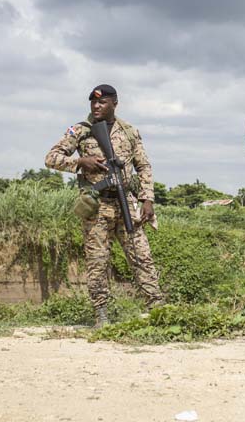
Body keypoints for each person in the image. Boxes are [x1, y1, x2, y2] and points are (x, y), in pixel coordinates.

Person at [45, 84, 164, 328]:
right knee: (97, 263)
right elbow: (51, 158)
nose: (96, 106)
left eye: (102, 103)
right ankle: (101, 315)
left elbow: (143, 167)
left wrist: (147, 199)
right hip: (97, 207)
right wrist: (80, 162)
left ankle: (158, 310)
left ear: (114, 104)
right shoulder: (81, 131)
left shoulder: (130, 132)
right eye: (93, 102)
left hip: (126, 204)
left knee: (142, 257)